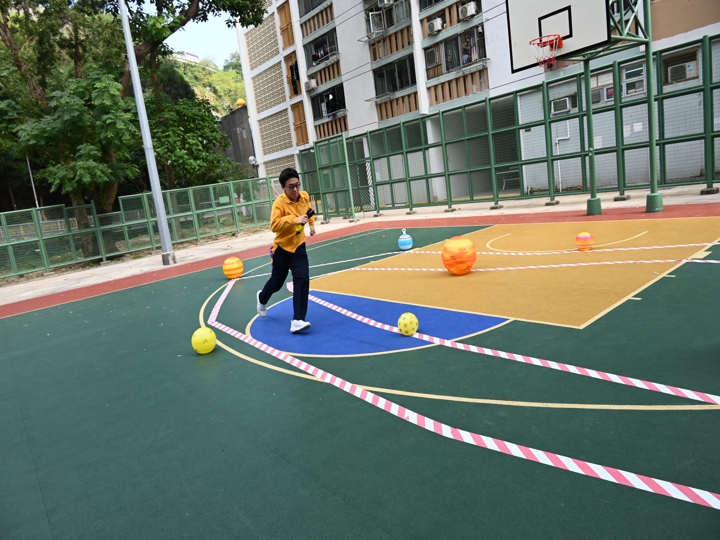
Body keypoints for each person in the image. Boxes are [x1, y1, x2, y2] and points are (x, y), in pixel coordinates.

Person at [257, 168, 316, 333]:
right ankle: (262, 297)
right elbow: (274, 225)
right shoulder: (279, 203)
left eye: (297, 185)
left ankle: (298, 320)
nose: (295, 189)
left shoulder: (304, 196)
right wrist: (294, 219)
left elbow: (308, 210)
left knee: (302, 279)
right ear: (283, 187)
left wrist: (311, 225)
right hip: (282, 249)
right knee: (276, 283)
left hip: (299, 246)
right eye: (291, 186)